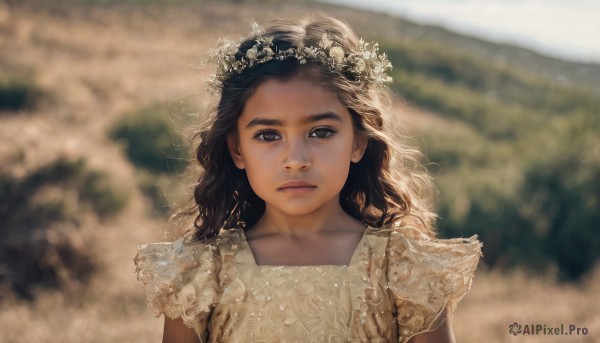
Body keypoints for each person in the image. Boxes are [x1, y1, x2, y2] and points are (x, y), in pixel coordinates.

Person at [134, 14, 482, 343]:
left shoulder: (405, 270)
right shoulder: (202, 273)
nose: (296, 160)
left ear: (359, 141)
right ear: (237, 150)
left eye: (321, 132)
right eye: (269, 135)